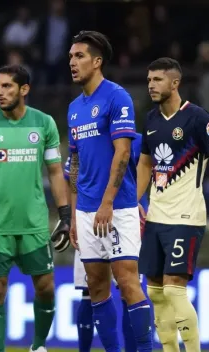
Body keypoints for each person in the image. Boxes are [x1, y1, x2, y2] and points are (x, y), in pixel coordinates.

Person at [0, 64, 70, 352]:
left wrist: (65, 214)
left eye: (7, 86)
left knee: (45, 286)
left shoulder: (43, 123)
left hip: (33, 223)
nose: (0, 92)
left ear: (24, 89)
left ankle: (38, 346)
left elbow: (56, 172)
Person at [137, 57, 209, 352]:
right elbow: (144, 164)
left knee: (174, 288)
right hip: (156, 215)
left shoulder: (198, 118)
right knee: (155, 291)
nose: (151, 84)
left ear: (175, 83)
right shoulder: (151, 119)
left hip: (186, 216)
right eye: (149, 79)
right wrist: (132, 202)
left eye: (158, 80)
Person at [67, 30, 153, 352]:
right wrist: (76, 215)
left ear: (97, 61)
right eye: (71, 58)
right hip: (86, 210)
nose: (73, 63)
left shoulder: (117, 97)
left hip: (118, 207)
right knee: (96, 286)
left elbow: (122, 153)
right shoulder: (75, 108)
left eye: (79, 57)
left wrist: (107, 203)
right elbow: (75, 165)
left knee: (128, 282)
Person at [65, 132, 149, 352]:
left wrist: (137, 199)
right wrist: (72, 217)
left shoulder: (138, 140)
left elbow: (150, 170)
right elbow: (71, 174)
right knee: (89, 289)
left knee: (129, 288)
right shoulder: (83, 132)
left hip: (124, 217)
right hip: (86, 216)